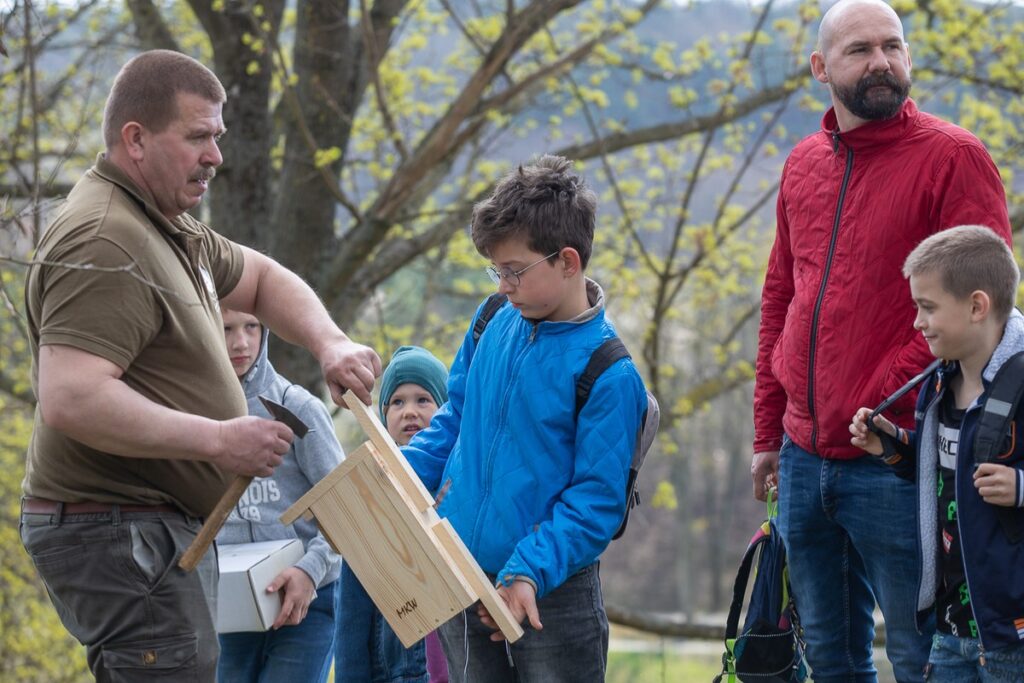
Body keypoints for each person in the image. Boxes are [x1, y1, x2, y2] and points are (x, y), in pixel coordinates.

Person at [19, 50, 379, 683]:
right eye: (197, 137)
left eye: (218, 136)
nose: (215, 155)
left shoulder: (167, 226)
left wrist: (331, 343)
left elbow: (263, 278)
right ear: (136, 139)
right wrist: (218, 439)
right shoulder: (105, 236)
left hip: (143, 529)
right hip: (117, 526)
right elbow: (71, 397)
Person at [750, 1, 1012, 680]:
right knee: (827, 659)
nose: (881, 63)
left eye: (892, 46)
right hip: (803, 458)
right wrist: (766, 434)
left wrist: (875, 398)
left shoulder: (953, 158)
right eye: (860, 50)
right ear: (819, 67)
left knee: (920, 659)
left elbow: (980, 308)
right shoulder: (802, 164)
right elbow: (782, 296)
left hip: (901, 455)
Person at [401, 155, 648, 682]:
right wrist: (399, 476)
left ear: (568, 261)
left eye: (514, 270)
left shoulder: (609, 373)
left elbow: (595, 502)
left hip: (549, 595)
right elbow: (456, 420)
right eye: (497, 271)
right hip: (461, 570)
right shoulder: (492, 318)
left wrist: (527, 571)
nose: (504, 285)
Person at [850, 225, 1024, 682]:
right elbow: (942, 476)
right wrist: (891, 445)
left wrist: (1021, 487)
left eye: (928, 308)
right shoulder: (937, 385)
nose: (917, 322)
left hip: (1014, 635)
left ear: (976, 306)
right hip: (950, 631)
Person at [216, 308, 343, 683]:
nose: (241, 342)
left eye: (251, 327)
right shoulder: (196, 420)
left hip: (307, 599)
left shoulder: (298, 408)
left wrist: (310, 570)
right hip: (230, 607)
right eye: (226, 329)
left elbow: (344, 510)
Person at [334, 345, 450, 683]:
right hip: (401, 670)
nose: (409, 411)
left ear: (446, 411)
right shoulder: (373, 499)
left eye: (423, 400)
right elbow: (352, 614)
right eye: (397, 402)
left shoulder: (463, 484)